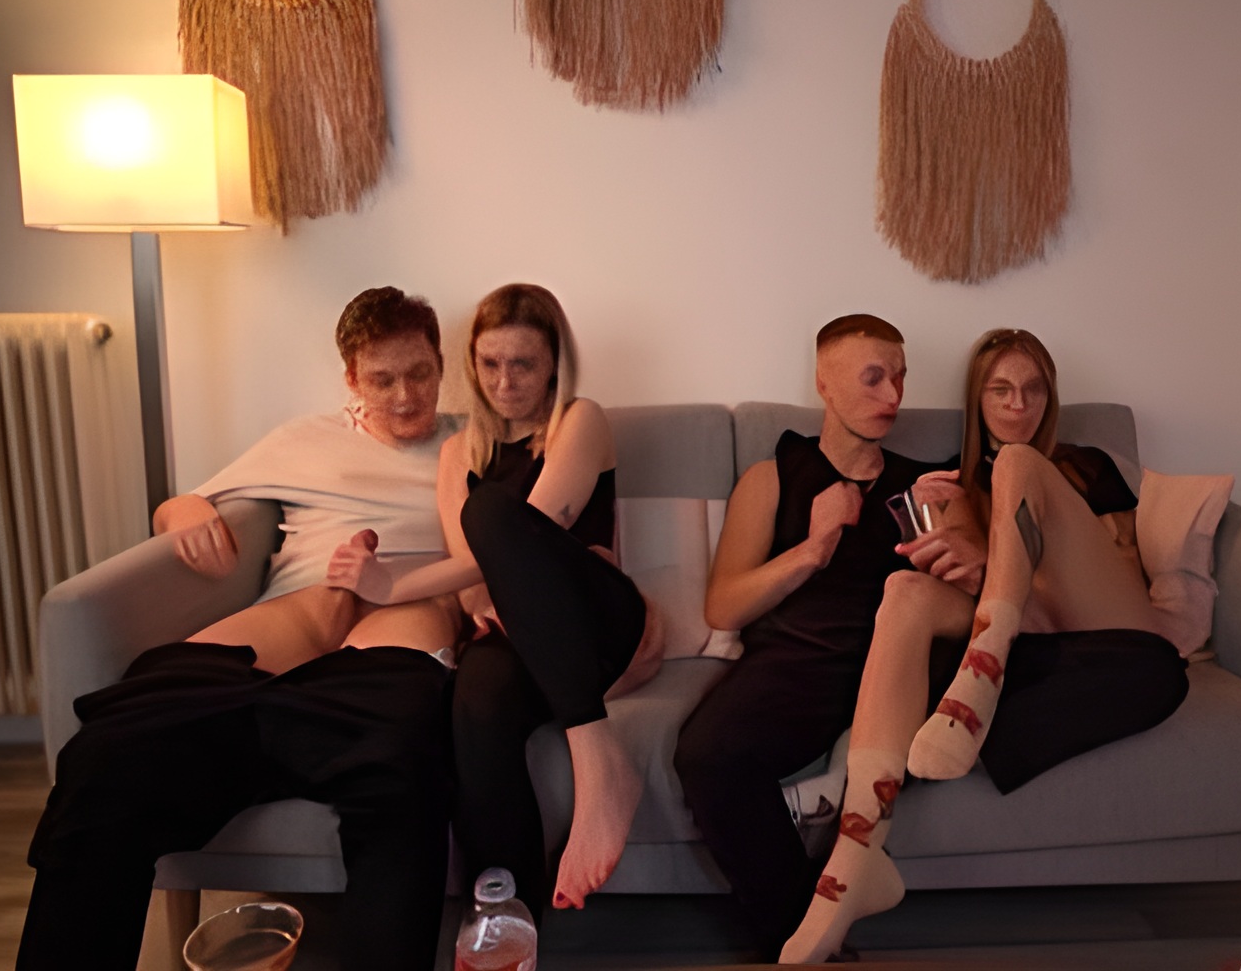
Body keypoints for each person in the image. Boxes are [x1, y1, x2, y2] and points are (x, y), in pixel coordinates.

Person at [17, 287, 463, 971]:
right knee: (112, 750)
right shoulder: (303, 440)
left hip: (394, 619)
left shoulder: (469, 446)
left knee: (400, 762)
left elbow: (500, 548)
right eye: (382, 379)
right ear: (351, 378)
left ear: (441, 365)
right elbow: (185, 505)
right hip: (292, 615)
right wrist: (186, 513)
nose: (405, 396)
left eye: (420, 374)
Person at [777, 327, 1193, 964]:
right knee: (903, 591)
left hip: (1116, 646)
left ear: (1051, 397)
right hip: (1026, 653)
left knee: (1021, 463)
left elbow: (1116, 575)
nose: (1018, 405)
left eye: (1033, 390)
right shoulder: (956, 487)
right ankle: (855, 860)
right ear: (978, 400)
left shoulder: (1088, 465)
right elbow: (963, 591)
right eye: (1001, 390)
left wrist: (1002, 564)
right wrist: (968, 556)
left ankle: (981, 671)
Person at [326, 282, 662, 918]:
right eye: (490, 363)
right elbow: (473, 580)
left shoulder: (579, 420)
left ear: (554, 363)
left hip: (598, 622)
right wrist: (468, 596)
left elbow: (525, 537)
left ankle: (601, 764)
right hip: (515, 637)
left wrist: (392, 585)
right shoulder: (460, 452)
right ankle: (507, 917)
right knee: (474, 704)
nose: (505, 383)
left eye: (524, 364)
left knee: (492, 514)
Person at [672, 313, 966, 959]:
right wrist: (813, 548)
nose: (893, 395)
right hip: (795, 668)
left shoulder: (924, 487)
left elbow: (959, 600)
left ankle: (811, 919)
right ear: (824, 384)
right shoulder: (772, 478)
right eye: (873, 378)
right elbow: (724, 607)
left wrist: (951, 534)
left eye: (900, 377)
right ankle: (801, 934)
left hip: (893, 668)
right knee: (706, 755)